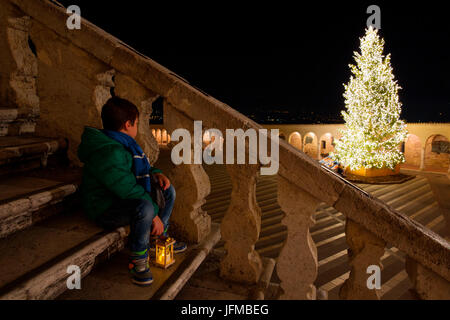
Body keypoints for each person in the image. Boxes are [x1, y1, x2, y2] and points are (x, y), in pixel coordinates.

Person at [77, 96, 186, 286]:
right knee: (145, 208)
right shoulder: (109, 151)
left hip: (122, 199)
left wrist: (157, 174)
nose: (138, 127)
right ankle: (139, 259)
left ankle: (159, 238)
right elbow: (128, 189)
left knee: (167, 191)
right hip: (105, 207)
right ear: (128, 124)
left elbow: (138, 171)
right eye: (137, 123)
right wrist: (154, 216)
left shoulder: (123, 144)